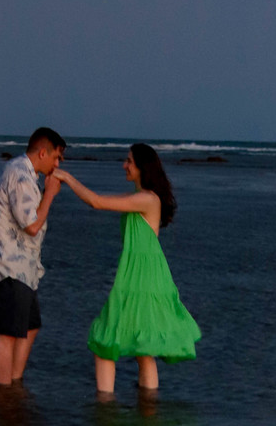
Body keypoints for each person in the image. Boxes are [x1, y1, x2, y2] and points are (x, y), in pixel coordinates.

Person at [53, 143, 200, 396]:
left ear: (142, 167)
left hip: (141, 276)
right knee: (143, 347)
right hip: (146, 274)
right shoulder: (142, 197)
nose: (124, 165)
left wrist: (67, 177)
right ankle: (148, 404)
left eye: (129, 161)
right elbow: (101, 199)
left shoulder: (147, 199)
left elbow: (97, 202)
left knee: (104, 339)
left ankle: (106, 403)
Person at [0, 126, 66, 386]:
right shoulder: (20, 175)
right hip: (11, 265)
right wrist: (50, 194)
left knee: (31, 325)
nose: (58, 164)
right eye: (56, 157)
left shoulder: (26, 174)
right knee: (7, 333)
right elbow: (31, 225)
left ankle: (14, 381)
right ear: (43, 153)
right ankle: (3, 389)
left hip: (25, 267)